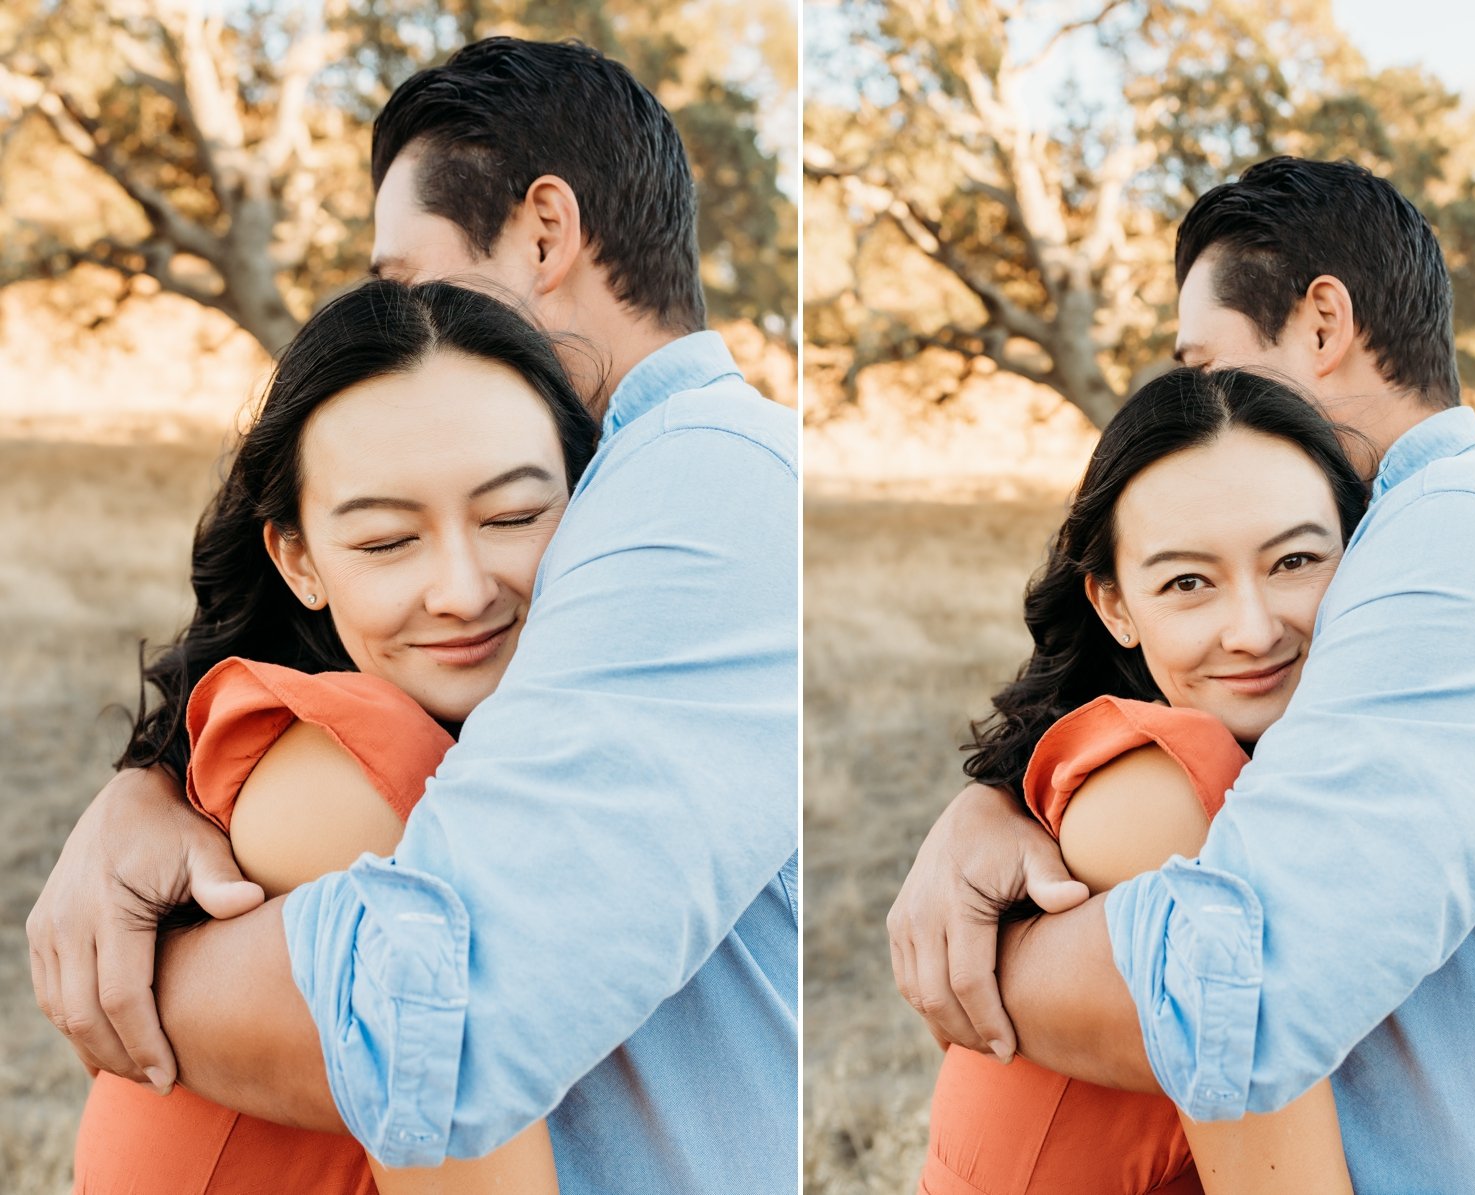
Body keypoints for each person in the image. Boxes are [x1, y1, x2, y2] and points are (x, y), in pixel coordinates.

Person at [29, 38, 799, 1194]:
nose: (401, 319)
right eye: (387, 534)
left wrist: (141, 963)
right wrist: (152, 786)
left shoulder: (703, 477)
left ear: (544, 234)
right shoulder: (632, 482)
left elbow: (447, 1021)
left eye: (405, 275)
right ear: (300, 555)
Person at [889, 155, 1475, 1192]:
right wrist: (1006, 809)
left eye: (1203, 358)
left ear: (1321, 324)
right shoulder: (1401, 545)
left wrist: (988, 948)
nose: (1197, 397)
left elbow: (1241, 994)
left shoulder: (1465, 538)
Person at [74, 278, 593, 1194]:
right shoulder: (352, 780)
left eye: (514, 517)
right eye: (389, 540)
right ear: (298, 561)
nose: (464, 589)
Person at [920, 367, 1364, 1195]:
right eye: (1188, 582)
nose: (1254, 628)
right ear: (1115, 605)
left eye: (1296, 560)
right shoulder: (1165, 793)